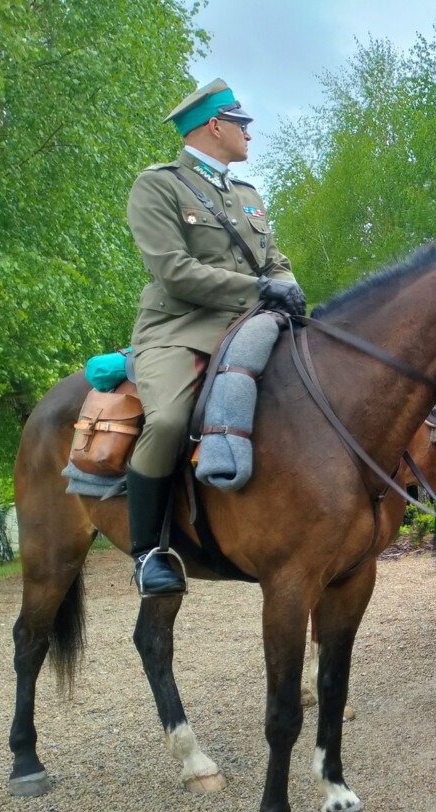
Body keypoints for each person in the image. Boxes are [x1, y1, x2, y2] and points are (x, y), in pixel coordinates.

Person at [125, 78, 304, 596]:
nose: (250, 132)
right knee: (167, 420)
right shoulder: (158, 185)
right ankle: (148, 553)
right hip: (181, 328)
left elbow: (275, 262)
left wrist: (288, 292)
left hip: (255, 322)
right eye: (242, 124)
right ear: (214, 126)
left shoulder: (247, 194)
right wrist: (262, 289)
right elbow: (174, 272)